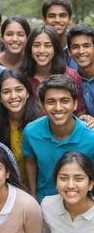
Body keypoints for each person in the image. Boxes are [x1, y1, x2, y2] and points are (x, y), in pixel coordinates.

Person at [22, 74, 94, 202]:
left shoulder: (91, 136)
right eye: (51, 102)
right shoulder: (31, 132)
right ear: (42, 106)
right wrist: (33, 195)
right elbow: (30, 162)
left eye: (64, 101)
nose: (58, 108)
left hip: (80, 201)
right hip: (44, 199)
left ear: (75, 104)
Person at [21, 25, 86, 116]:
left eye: (48, 45)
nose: (42, 50)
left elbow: (80, 113)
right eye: (36, 45)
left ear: (55, 49)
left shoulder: (71, 76)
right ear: (30, 49)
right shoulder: (22, 78)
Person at [0, 68, 42, 182]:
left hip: (39, 188)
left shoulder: (42, 119)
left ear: (28, 92)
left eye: (19, 90)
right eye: (6, 92)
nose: (13, 96)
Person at [41, 151, 94, 233]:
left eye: (78, 179)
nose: (70, 185)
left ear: (90, 184)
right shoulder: (48, 206)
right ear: (56, 183)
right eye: (63, 178)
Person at [42, 0, 78, 70]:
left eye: (62, 15)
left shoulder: (80, 47)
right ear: (44, 20)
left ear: (70, 19)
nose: (57, 20)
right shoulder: (38, 48)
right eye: (52, 16)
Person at [68, 23, 94, 118]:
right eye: (75, 47)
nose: (81, 51)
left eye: (86, 46)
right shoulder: (70, 79)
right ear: (69, 52)